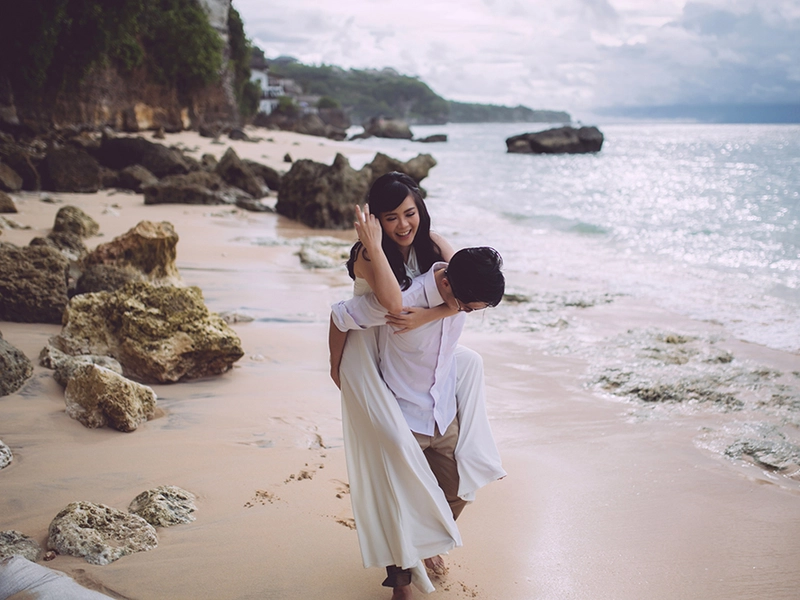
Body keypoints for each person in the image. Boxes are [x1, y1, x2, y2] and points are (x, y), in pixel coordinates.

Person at [328, 173, 505, 597]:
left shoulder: (440, 257)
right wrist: (337, 369)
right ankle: (402, 579)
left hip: (440, 403)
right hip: (395, 391)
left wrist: (436, 312)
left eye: (410, 212)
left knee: (461, 481)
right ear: (378, 220)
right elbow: (382, 306)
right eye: (391, 218)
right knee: (398, 495)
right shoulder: (374, 265)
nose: (404, 224)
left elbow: (456, 275)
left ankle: (425, 539)